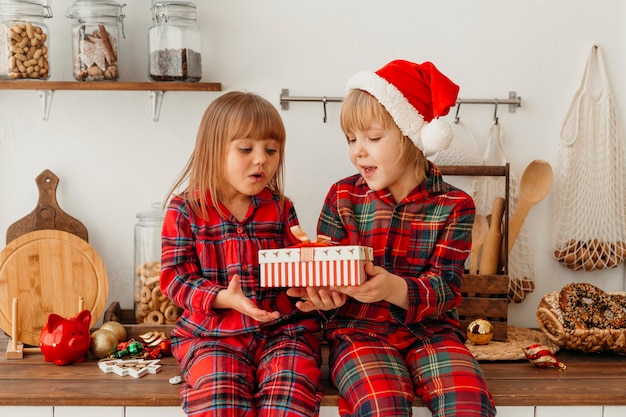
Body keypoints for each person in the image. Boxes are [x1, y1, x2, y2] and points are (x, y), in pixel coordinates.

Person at [288, 60, 497, 417]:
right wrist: (322, 297)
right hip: (359, 332)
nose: (358, 150)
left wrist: (393, 288)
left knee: (468, 405)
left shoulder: (455, 205)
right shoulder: (342, 197)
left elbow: (446, 288)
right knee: (382, 406)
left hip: (432, 332)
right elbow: (327, 270)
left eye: (372, 137)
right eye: (352, 139)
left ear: (411, 135)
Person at [160, 91, 323, 417]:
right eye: (246, 149)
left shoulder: (281, 208)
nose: (261, 158)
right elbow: (176, 279)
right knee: (219, 399)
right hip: (212, 337)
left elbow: (298, 271)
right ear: (213, 151)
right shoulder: (186, 209)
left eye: (271, 150)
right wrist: (223, 297)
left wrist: (314, 281)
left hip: (282, 332)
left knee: (292, 392)